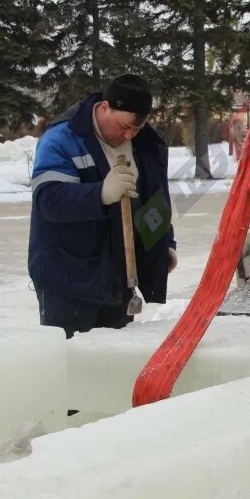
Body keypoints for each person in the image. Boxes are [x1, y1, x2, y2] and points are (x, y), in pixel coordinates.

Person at [28, 74, 177, 338]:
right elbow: (49, 201)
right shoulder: (62, 139)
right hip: (68, 278)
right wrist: (100, 193)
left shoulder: (146, 143)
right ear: (105, 107)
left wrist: (163, 243)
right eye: (124, 126)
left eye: (136, 128)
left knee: (113, 364)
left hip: (118, 278)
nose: (129, 134)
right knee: (73, 366)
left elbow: (154, 200)